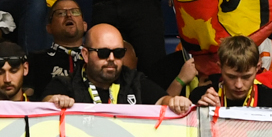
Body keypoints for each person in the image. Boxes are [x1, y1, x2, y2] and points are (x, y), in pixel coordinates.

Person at [50, 23, 192, 110]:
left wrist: (175, 101)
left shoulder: (133, 80)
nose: (111, 59)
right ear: (86, 55)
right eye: (103, 52)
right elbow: (45, 103)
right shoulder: (66, 83)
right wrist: (55, 102)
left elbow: (162, 100)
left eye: (118, 53)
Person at [195, 33, 272, 108]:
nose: (238, 85)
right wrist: (204, 113)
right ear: (220, 67)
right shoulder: (201, 97)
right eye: (231, 76)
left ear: (258, 68)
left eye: (246, 77)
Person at [0, 40, 68, 105]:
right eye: (0, 72)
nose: (7, 79)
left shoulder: (37, 108)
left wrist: (59, 103)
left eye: (13, 71)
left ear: (25, 68)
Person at [30, 0, 91, 98]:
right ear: (49, 28)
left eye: (75, 12)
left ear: (85, 26)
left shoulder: (97, 58)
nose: (68, 15)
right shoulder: (36, 60)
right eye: (60, 13)